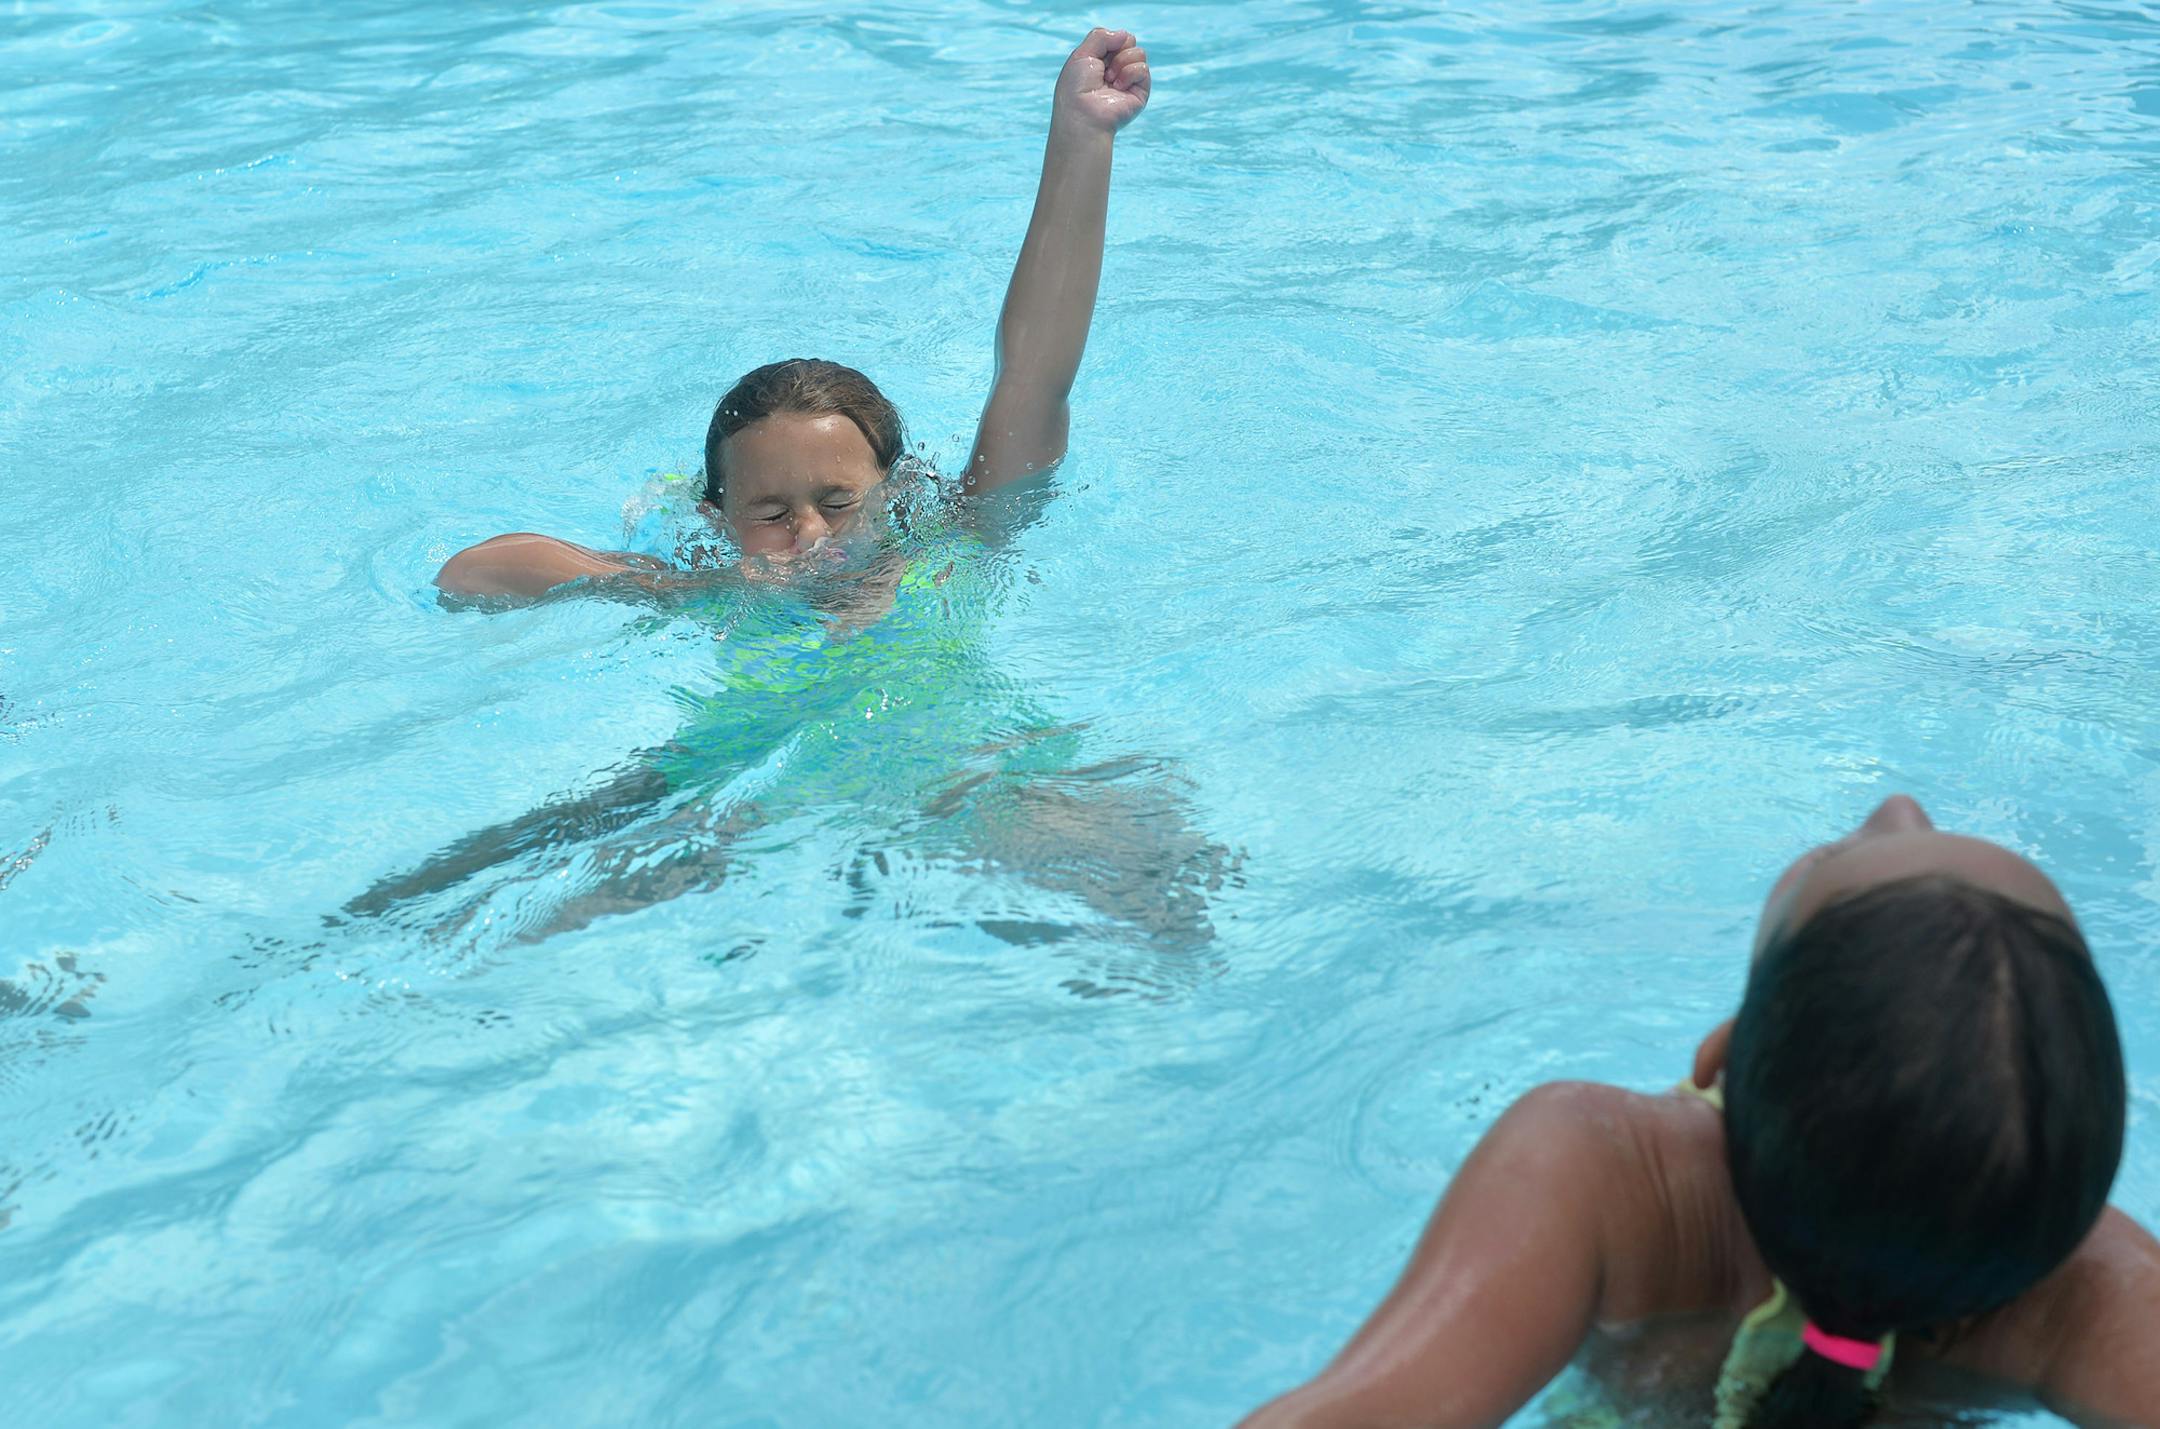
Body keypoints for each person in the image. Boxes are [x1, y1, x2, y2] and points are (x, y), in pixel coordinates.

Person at [1240, 794, 2160, 1428]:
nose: (1903, 808)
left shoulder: (1593, 1175)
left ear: (1721, 1050)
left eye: (1852, 857)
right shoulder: (2084, 1289)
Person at [432, 27, 1152, 602]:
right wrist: (683, 582)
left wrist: (1083, 134)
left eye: (839, 502)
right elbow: (469, 572)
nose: (809, 534)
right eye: (770, 516)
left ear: (898, 493)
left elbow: (1034, 376)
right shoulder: (707, 592)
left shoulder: (958, 541)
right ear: (718, 524)